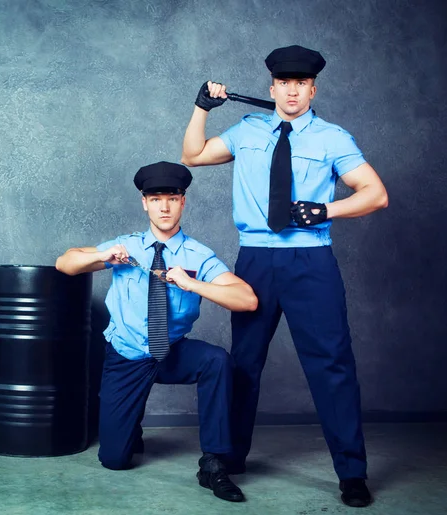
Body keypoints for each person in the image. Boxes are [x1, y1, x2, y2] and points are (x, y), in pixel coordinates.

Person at [181, 44, 389, 508]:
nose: (292, 91)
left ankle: (352, 474)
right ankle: (228, 458)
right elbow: (192, 155)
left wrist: (326, 209)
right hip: (255, 260)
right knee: (244, 364)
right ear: (272, 87)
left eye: (301, 84)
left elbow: (375, 194)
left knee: (332, 367)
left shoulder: (332, 138)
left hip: (309, 262)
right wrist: (201, 108)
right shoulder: (247, 129)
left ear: (312, 89)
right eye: (284, 83)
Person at [56, 161, 258, 503]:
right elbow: (66, 263)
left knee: (217, 361)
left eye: (172, 197)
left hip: (171, 353)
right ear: (144, 203)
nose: (164, 205)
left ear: (183, 201)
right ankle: (128, 426)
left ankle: (213, 462)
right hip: (127, 357)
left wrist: (193, 283)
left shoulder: (198, 255)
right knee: (115, 460)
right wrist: (103, 255)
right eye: (156, 198)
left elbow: (247, 299)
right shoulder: (126, 247)